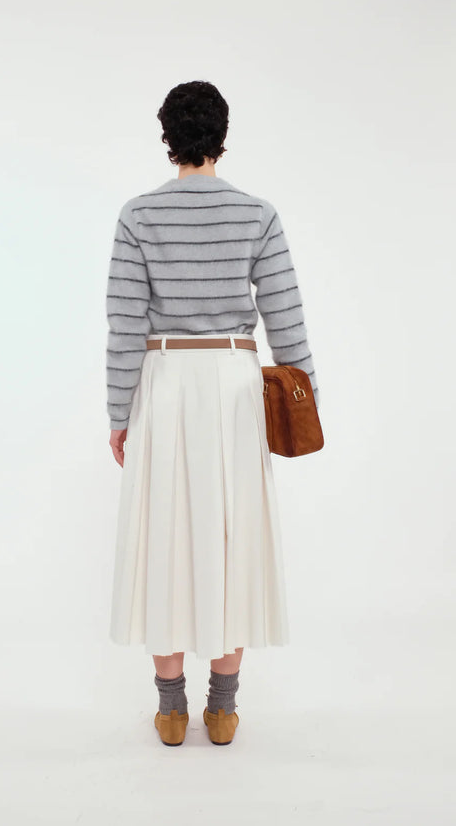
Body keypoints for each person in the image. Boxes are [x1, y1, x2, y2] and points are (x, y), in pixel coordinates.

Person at [105, 80, 320, 746]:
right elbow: (285, 314)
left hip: (164, 379)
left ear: (167, 136)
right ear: (221, 136)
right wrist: (306, 396)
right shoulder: (257, 214)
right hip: (233, 383)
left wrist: (118, 412)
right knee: (233, 536)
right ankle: (222, 708)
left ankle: (171, 710)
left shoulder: (138, 215)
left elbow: (123, 324)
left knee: (165, 536)